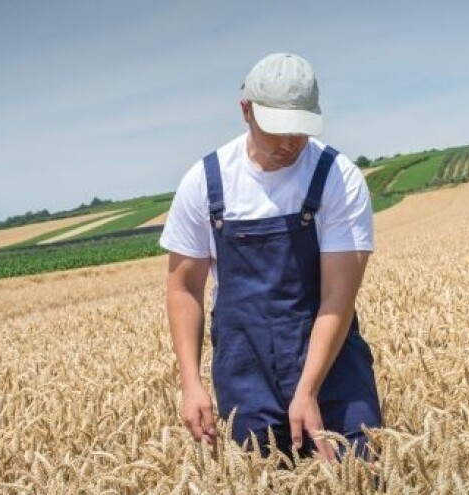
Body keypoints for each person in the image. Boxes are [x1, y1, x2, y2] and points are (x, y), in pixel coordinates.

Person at [160, 53, 381, 461]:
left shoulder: (338, 177)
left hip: (333, 365)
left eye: (299, 129)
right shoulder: (204, 182)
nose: (289, 143)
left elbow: (338, 296)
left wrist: (308, 389)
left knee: (362, 472)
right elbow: (184, 288)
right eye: (276, 128)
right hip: (245, 374)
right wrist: (190, 383)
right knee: (261, 478)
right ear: (246, 110)